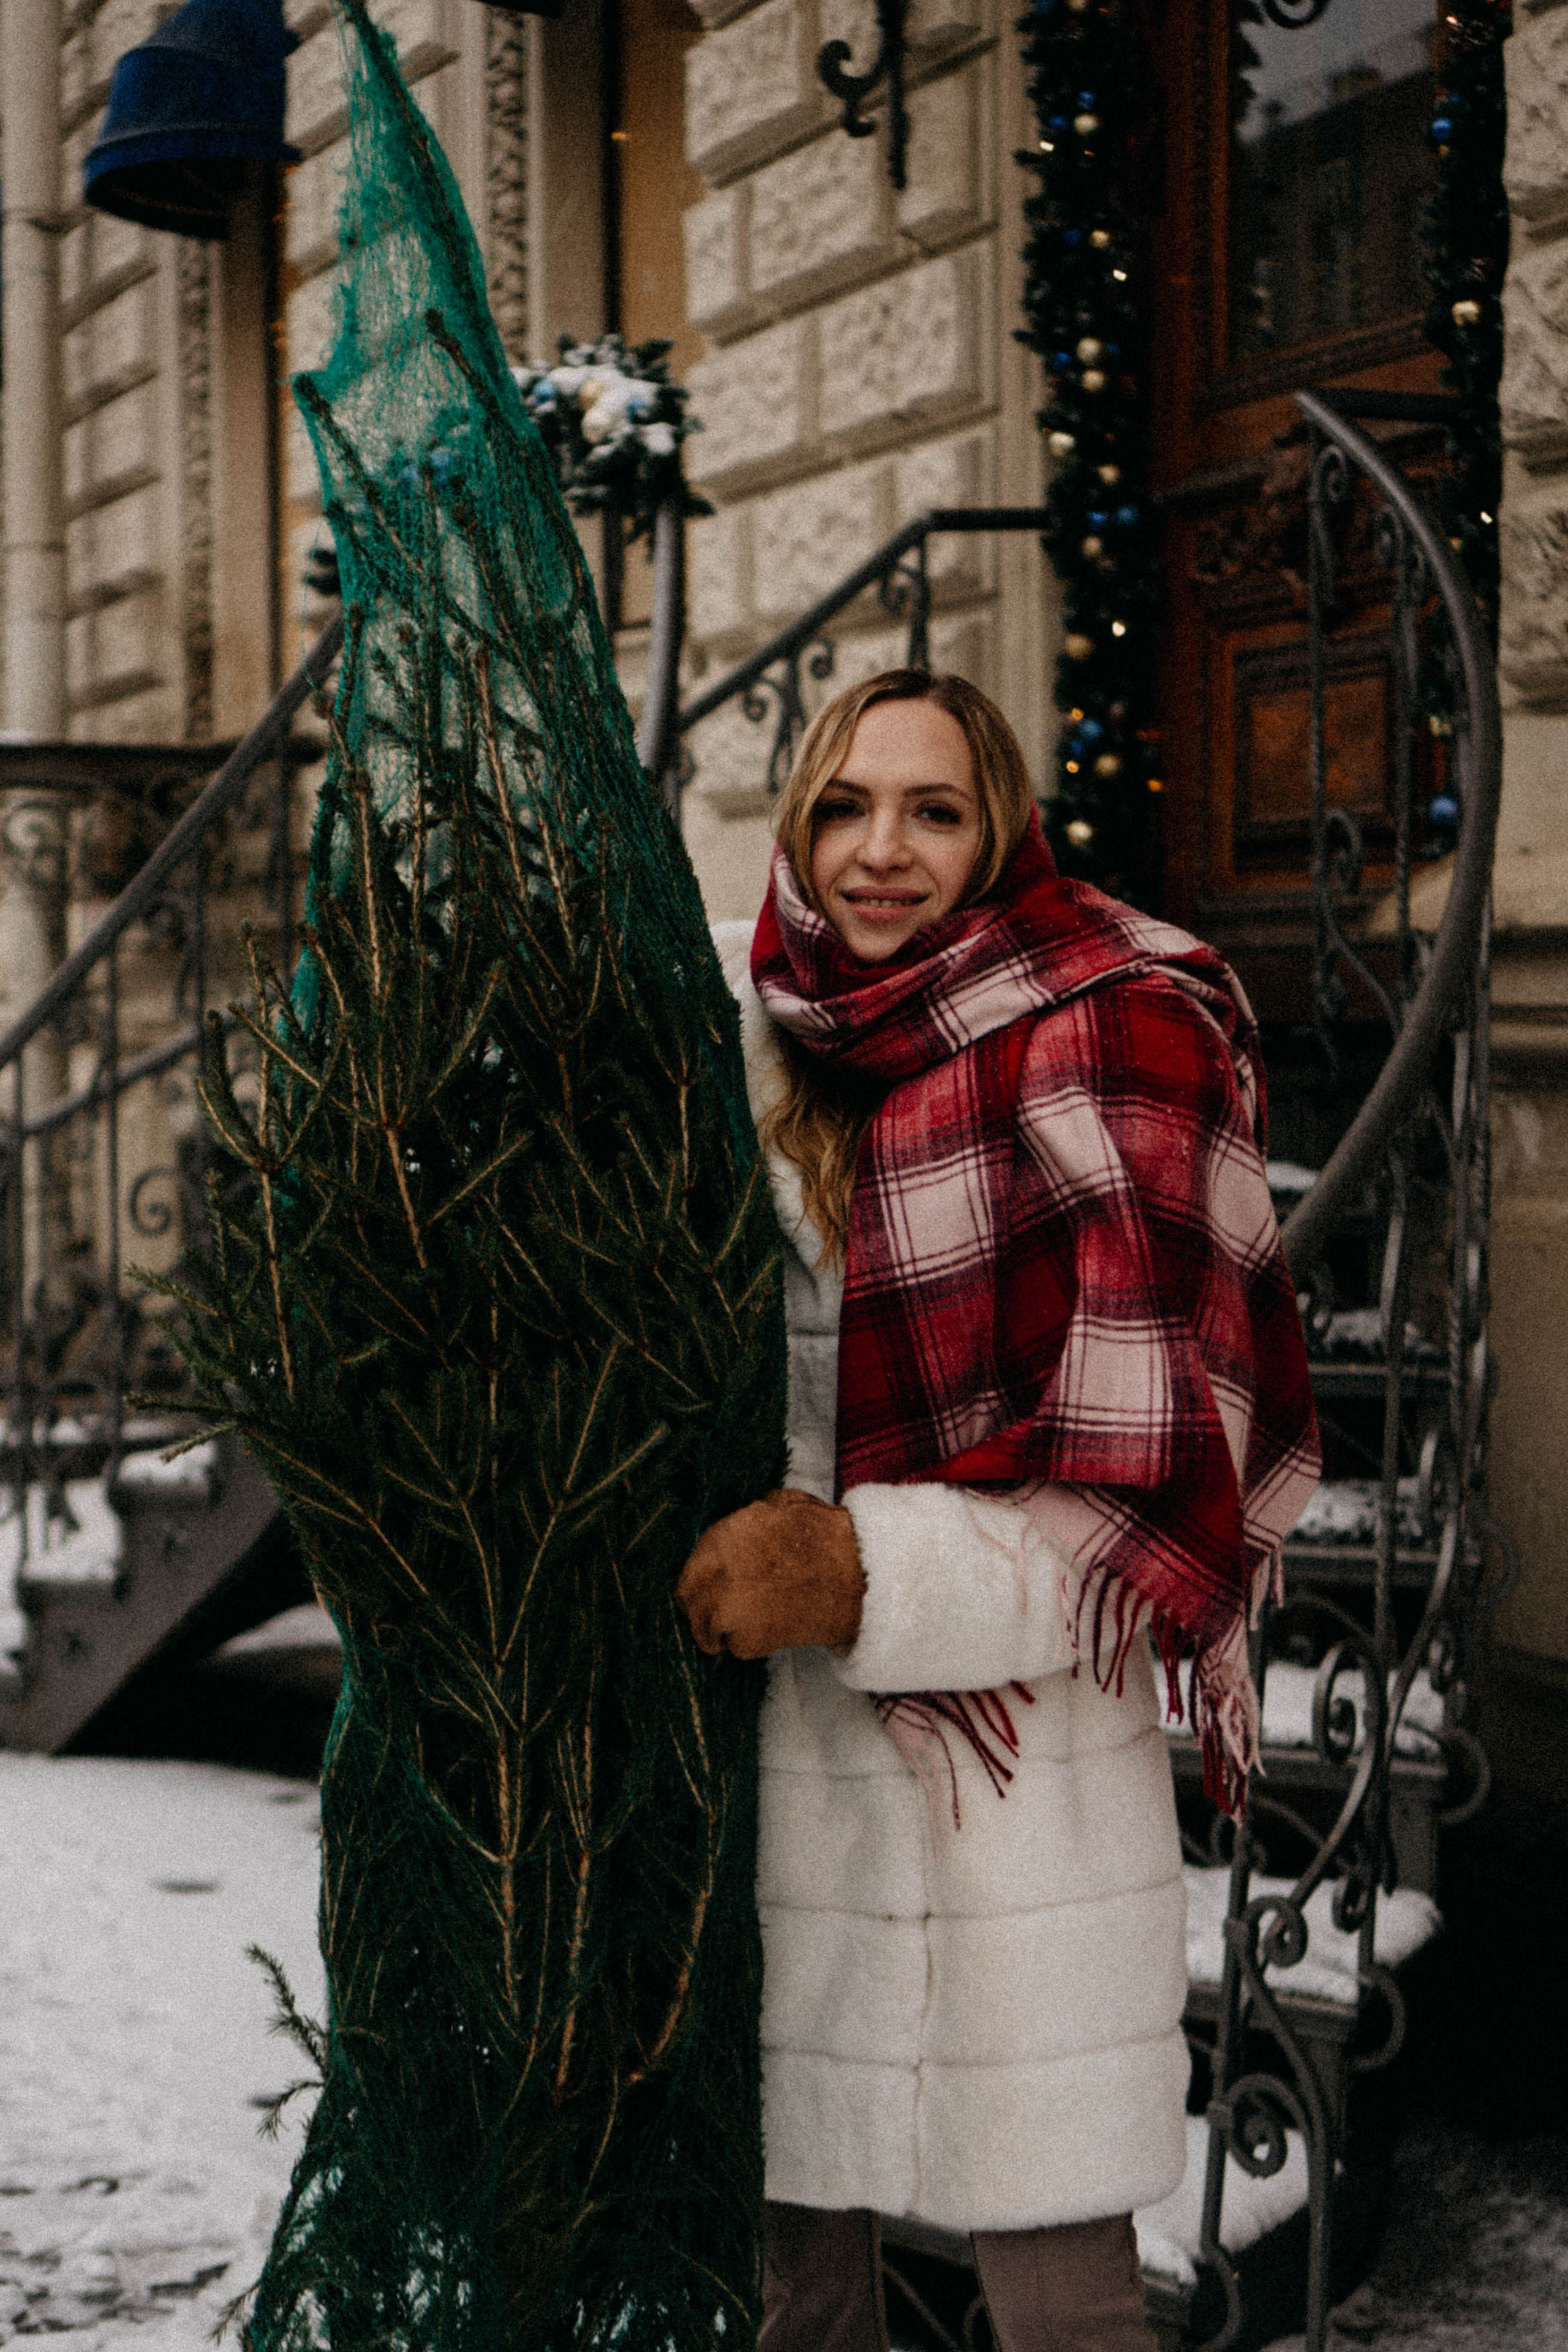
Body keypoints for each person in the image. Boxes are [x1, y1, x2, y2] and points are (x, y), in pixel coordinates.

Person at [676, 671, 1319, 2352]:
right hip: (781, 1758)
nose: (881, 852)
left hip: (1019, 1779)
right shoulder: (750, 1047)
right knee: (792, 2293)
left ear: (1004, 832)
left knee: (1065, 2308)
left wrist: (858, 1571)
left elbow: (1144, 1502)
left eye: (934, 810)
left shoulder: (1119, 1031)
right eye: (843, 807)